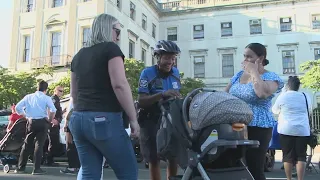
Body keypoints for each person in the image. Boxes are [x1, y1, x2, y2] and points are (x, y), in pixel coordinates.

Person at [68, 13, 140, 180]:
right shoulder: (111, 49)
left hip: (78, 120)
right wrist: (133, 119)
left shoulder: (78, 55)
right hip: (103, 118)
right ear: (108, 29)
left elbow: (74, 93)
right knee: (128, 172)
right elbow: (119, 85)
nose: (118, 37)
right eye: (117, 31)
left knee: (89, 172)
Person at [225, 43, 284, 180]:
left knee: (254, 167)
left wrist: (254, 72)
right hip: (236, 125)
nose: (245, 59)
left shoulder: (271, 77)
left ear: (260, 58)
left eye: (249, 57)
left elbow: (261, 93)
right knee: (233, 165)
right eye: (244, 56)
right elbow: (225, 94)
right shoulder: (238, 75)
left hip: (258, 125)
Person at [138, 40, 181, 180]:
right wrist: (162, 94)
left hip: (169, 118)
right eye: (167, 58)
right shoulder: (147, 73)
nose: (171, 62)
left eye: (173, 58)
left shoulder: (176, 73)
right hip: (150, 118)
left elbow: (176, 94)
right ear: (158, 57)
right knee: (154, 158)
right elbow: (142, 101)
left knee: (173, 156)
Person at [272, 76, 312, 180]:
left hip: (286, 129)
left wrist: (282, 93)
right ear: (299, 86)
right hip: (302, 130)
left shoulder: (283, 96)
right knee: (301, 156)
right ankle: (300, 179)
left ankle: (289, 179)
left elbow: (275, 110)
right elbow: (310, 110)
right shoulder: (305, 96)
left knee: (287, 156)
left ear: (288, 85)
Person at [14, 80, 57, 175]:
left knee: (27, 144)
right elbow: (53, 110)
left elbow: (17, 107)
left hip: (31, 122)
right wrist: (49, 120)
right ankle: (36, 169)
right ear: (46, 89)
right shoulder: (47, 98)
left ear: (37, 87)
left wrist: (26, 116)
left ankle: (21, 167)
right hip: (42, 122)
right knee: (39, 145)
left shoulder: (28, 97)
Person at [46, 85, 66, 166]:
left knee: (54, 141)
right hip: (53, 124)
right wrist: (53, 119)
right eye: (60, 91)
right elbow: (48, 109)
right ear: (55, 91)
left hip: (56, 123)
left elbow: (56, 111)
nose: (61, 92)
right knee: (52, 141)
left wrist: (63, 111)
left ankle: (50, 159)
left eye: (62, 91)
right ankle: (49, 160)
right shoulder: (53, 99)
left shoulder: (57, 99)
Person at [60, 97, 81, 175]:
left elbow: (69, 112)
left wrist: (65, 125)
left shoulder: (73, 98)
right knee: (78, 145)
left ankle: (72, 167)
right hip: (81, 121)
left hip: (72, 122)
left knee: (70, 145)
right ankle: (78, 166)